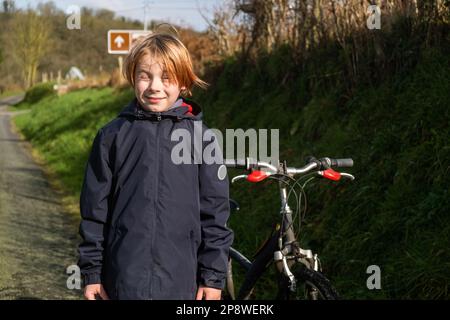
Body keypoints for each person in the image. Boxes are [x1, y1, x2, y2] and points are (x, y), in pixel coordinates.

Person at [77, 31, 233, 300]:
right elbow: (94, 211)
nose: (155, 87)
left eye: (167, 77)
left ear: (183, 82)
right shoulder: (111, 136)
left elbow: (215, 214)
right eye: (145, 76)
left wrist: (213, 278)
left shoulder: (202, 139)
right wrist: (91, 273)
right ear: (132, 77)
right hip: (123, 279)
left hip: (182, 281)